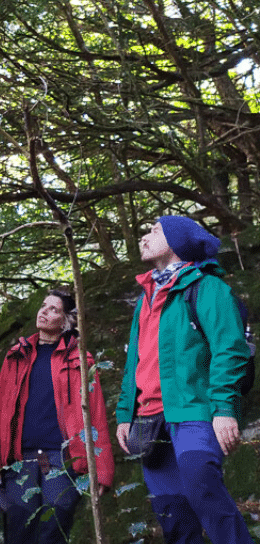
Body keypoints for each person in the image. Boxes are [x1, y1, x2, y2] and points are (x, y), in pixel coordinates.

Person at [115, 215, 254, 544]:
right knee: (172, 516)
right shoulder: (145, 298)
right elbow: (134, 360)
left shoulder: (208, 287)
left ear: (177, 242)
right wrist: (125, 414)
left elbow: (229, 349)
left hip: (193, 412)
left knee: (204, 493)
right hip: (149, 419)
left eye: (155, 230)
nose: (145, 236)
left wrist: (224, 409)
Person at [0, 290, 115, 544]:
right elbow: (0, 411)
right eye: (43, 306)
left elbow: (95, 415)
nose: (44, 311)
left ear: (67, 320)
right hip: (20, 458)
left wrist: (103, 469)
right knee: (20, 526)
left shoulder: (80, 359)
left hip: (62, 458)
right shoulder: (16, 356)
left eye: (54, 309)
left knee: (55, 524)